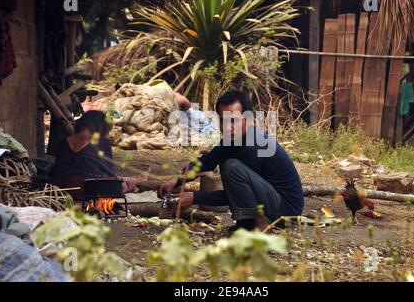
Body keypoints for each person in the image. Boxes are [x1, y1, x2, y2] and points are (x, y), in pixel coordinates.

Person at [159, 90, 304, 231]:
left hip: (285, 211)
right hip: (270, 199)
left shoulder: (255, 146)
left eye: (234, 120)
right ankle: (248, 224)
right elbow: (206, 162)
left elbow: (233, 195)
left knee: (231, 166)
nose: (228, 127)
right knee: (226, 161)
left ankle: (257, 226)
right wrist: (176, 181)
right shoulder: (232, 140)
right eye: (223, 120)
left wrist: (194, 197)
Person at [50, 111, 146, 199]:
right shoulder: (102, 141)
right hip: (91, 190)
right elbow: (110, 175)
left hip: (61, 188)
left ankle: (137, 179)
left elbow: (58, 168)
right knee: (119, 183)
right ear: (102, 127)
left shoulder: (63, 142)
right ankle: (138, 180)